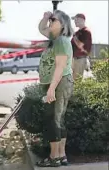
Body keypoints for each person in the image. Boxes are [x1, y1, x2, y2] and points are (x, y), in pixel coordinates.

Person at [36, 10, 74, 167]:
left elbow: (60, 67)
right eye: (51, 20)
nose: (50, 23)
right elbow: (41, 29)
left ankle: (54, 157)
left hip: (59, 83)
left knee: (52, 119)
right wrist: (45, 18)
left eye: (54, 20)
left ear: (63, 25)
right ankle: (61, 155)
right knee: (58, 119)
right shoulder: (55, 38)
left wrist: (51, 88)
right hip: (56, 83)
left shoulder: (62, 41)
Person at [71, 13, 92, 81]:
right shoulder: (77, 32)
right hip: (74, 59)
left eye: (76, 19)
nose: (75, 21)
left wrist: (73, 35)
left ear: (82, 20)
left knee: (77, 82)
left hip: (80, 60)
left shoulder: (86, 32)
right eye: (74, 20)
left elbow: (80, 45)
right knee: (71, 81)